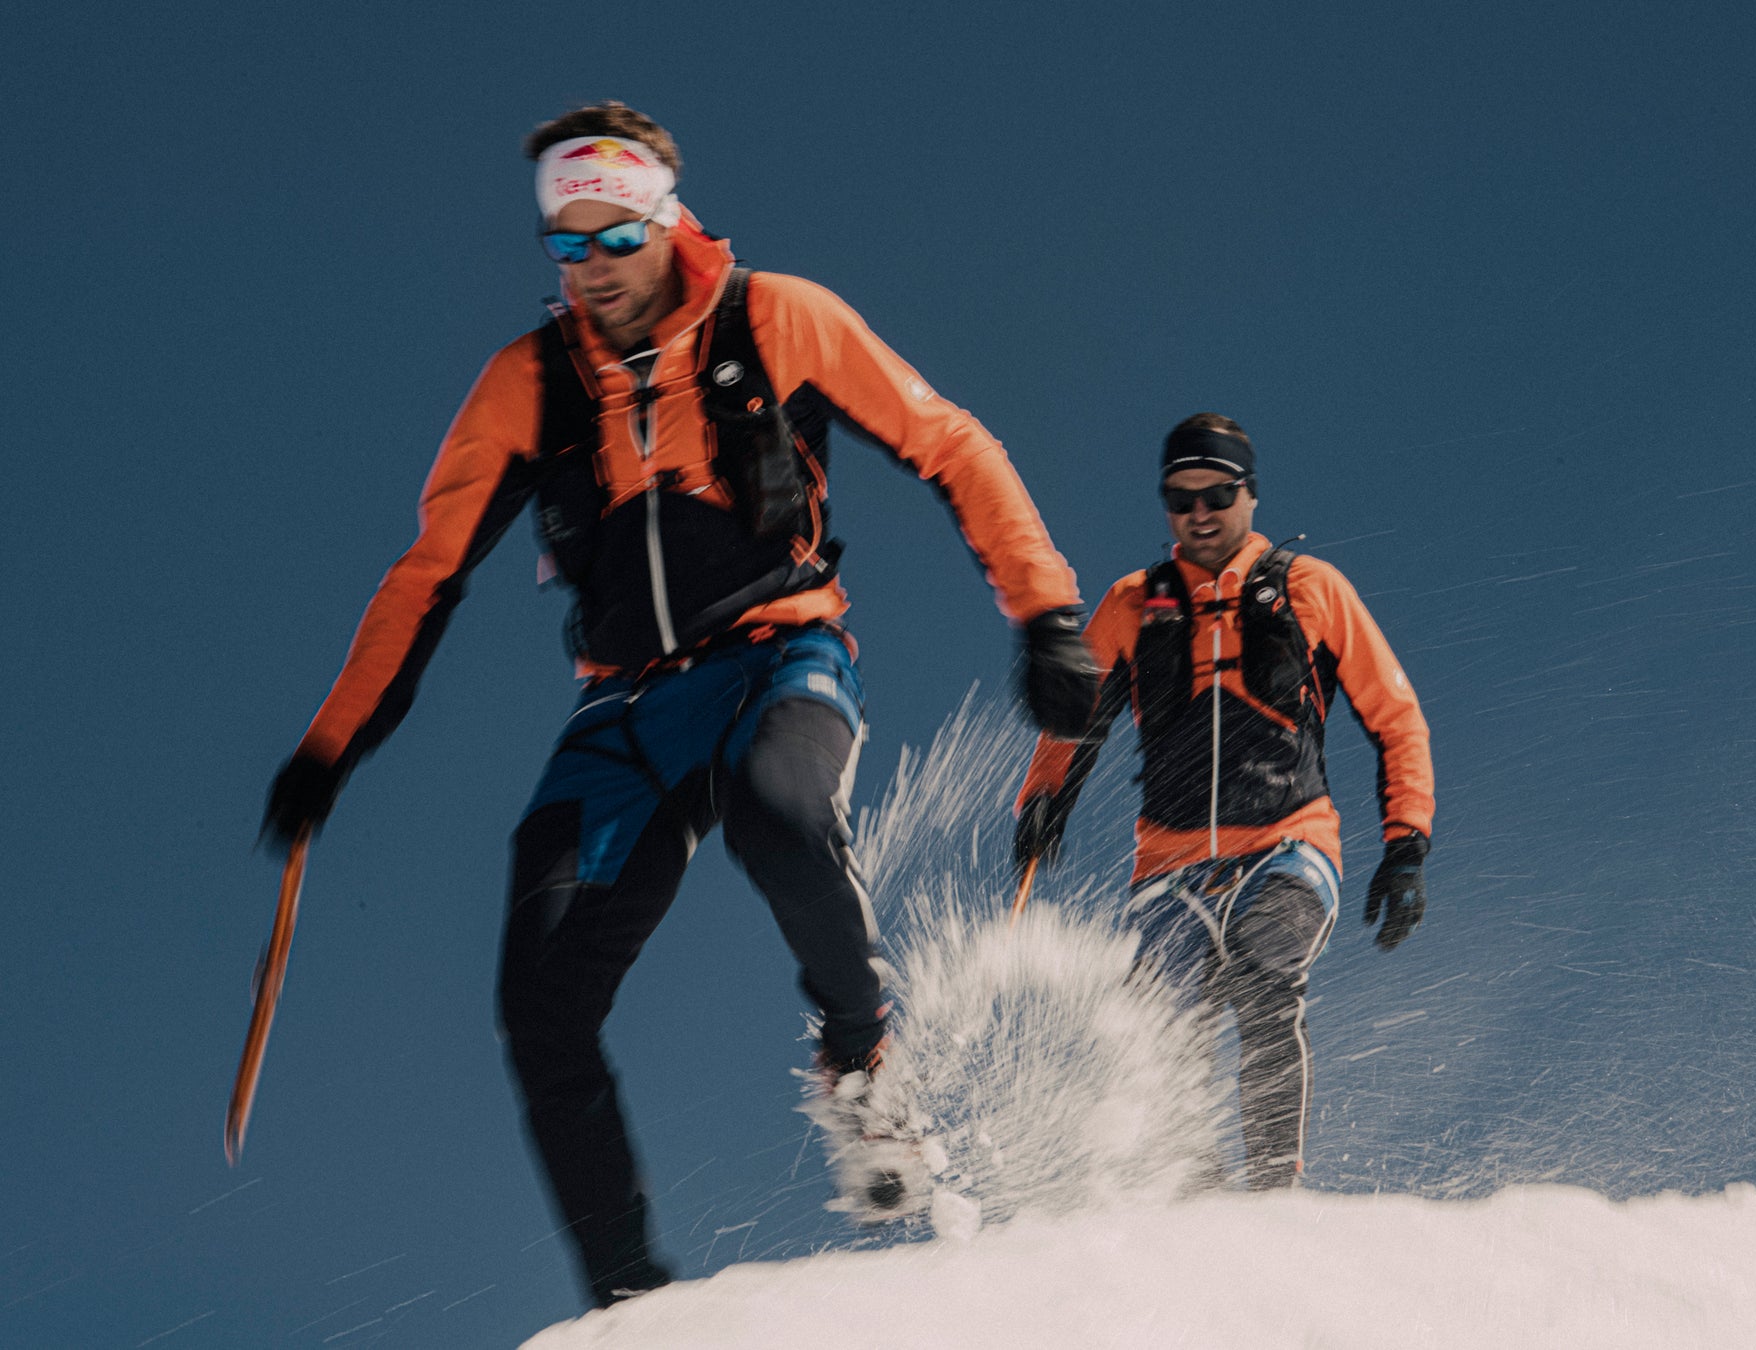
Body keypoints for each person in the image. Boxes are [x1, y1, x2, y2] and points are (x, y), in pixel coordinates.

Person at [259, 102, 1095, 1306]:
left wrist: (1046, 613)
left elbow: (951, 444)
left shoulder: (776, 318)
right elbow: (426, 577)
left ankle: (861, 1057)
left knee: (777, 810)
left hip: (779, 658)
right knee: (538, 1001)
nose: (593, 270)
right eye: (567, 245)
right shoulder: (528, 387)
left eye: (616, 238)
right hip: (625, 717)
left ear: (666, 219)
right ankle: (635, 1309)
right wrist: (328, 749)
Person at [1013, 412, 1434, 1190]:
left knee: (1263, 977)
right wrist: (1042, 802)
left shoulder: (1311, 588)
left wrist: (1406, 844)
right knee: (1157, 1031)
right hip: (1168, 869)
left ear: (1250, 494)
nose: (1199, 513)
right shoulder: (1134, 604)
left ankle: (1274, 1192)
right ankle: (1196, 1206)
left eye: (1216, 493)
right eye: (1181, 499)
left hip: (1287, 846)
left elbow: (1395, 716)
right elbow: (1076, 722)